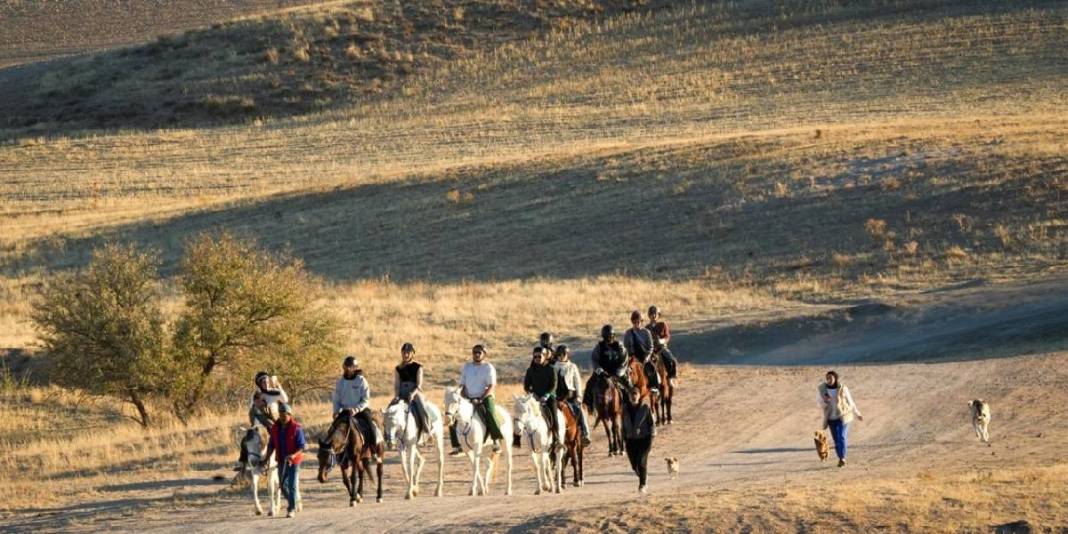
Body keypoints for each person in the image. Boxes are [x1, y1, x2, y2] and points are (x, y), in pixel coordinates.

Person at [236, 371, 290, 470]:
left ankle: (280, 460)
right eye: (263, 382)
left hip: (272, 422)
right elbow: (252, 409)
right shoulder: (256, 394)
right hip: (258, 424)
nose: (266, 384)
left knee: (279, 439)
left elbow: (285, 400)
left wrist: (278, 386)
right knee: (246, 439)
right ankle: (242, 462)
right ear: (260, 384)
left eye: (267, 381)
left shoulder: (275, 392)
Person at [332, 355, 381, 460]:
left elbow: (366, 400)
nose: (348, 369)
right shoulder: (340, 383)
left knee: (371, 427)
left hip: (361, 410)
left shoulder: (361, 381)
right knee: (333, 428)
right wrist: (336, 411)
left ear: (355, 368)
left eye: (351, 367)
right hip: (345, 411)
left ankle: (373, 451)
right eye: (346, 367)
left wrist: (356, 409)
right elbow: (336, 399)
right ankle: (332, 452)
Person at [459, 344, 505, 453]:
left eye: (479, 352)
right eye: (474, 352)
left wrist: (481, 399)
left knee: (489, 412)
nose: (476, 354)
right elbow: (462, 385)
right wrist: (464, 396)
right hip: (469, 397)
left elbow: (491, 385)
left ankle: (495, 440)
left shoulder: (488, 367)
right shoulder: (467, 367)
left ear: (484, 354)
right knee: (455, 414)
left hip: (485, 397)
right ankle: (457, 445)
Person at [264, 402, 306, 518]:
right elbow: (271, 445)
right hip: (281, 461)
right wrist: (265, 459)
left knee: (292, 485)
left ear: (289, 415)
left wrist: (293, 455)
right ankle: (293, 502)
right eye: (280, 414)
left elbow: (302, 446)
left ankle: (291, 509)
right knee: (282, 486)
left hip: (293, 462)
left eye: (284, 414)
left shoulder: (296, 428)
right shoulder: (275, 428)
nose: (282, 417)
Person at [817, 370, 864, 467]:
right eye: (827, 378)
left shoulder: (843, 388)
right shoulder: (823, 390)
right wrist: (825, 401)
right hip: (831, 418)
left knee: (841, 436)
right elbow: (819, 403)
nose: (829, 380)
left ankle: (842, 458)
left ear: (835, 378)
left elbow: (850, 401)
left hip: (843, 416)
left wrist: (857, 413)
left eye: (831, 378)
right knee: (836, 439)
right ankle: (840, 457)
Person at [391, 342, 431, 442]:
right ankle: (388, 435)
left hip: (415, 392)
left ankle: (427, 430)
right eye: (404, 353)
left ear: (412, 354)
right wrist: (396, 396)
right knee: (390, 409)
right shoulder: (398, 369)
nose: (406, 355)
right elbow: (397, 385)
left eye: (408, 353)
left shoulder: (418, 367)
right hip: (402, 392)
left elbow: (419, 385)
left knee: (422, 406)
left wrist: (412, 394)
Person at [553, 344, 591, 447]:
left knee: (580, 410)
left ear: (567, 355)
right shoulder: (554, 367)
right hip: (557, 397)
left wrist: (579, 396)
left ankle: (585, 433)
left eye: (563, 354)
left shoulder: (572, 366)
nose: (561, 356)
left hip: (570, 396)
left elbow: (577, 382)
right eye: (559, 355)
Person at [585, 324, 630, 408]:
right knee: (589, 384)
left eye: (610, 336)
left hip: (617, 371)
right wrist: (600, 371)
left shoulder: (620, 346)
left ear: (613, 336)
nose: (609, 339)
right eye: (606, 337)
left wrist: (619, 371)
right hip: (602, 372)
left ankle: (630, 405)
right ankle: (588, 405)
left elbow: (624, 359)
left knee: (628, 385)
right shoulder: (599, 347)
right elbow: (594, 360)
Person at [621, 387, 655, 493]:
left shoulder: (645, 408)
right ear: (629, 396)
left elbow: (652, 424)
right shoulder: (625, 409)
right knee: (634, 465)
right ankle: (643, 476)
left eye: (635, 394)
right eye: (632, 394)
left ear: (639, 396)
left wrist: (651, 436)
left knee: (641, 461)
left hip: (644, 440)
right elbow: (623, 425)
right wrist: (623, 438)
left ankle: (642, 485)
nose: (633, 396)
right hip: (630, 440)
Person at [524, 346, 559, 449]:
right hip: (535, 397)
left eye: (539, 356)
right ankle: (519, 435)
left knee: (554, 414)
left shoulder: (551, 369)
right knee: (522, 412)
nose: (537, 359)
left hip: (549, 397)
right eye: (535, 357)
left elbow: (554, 385)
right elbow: (526, 386)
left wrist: (546, 395)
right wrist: (532, 394)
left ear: (545, 356)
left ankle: (556, 439)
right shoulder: (530, 370)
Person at [623, 310, 659, 395]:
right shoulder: (628, 333)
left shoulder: (646, 332)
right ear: (632, 322)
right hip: (632, 357)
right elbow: (625, 348)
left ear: (641, 322)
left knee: (651, 368)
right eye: (634, 322)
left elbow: (651, 347)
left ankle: (654, 388)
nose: (636, 324)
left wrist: (647, 357)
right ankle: (623, 389)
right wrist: (629, 357)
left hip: (644, 356)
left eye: (638, 322)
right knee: (623, 370)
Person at [646, 305, 679, 387]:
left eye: (655, 314)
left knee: (671, 360)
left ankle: (670, 377)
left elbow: (667, 336)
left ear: (658, 315)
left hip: (661, 348)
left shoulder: (663, 324)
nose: (653, 316)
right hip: (651, 350)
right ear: (649, 315)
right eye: (652, 314)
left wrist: (661, 341)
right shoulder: (647, 328)